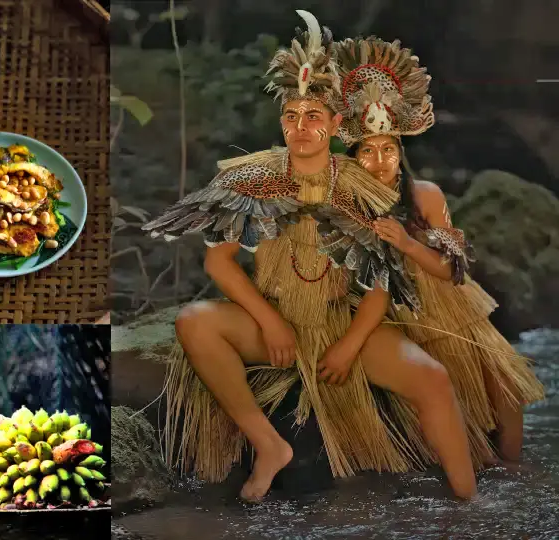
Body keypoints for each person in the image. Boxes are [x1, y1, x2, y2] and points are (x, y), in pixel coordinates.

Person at [143, 10, 477, 501]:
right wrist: (270, 322)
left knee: (432, 377)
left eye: (313, 116)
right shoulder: (249, 178)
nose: (300, 127)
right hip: (271, 322)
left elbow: (382, 280)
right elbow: (218, 264)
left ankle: (469, 500)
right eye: (291, 116)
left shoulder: (361, 186)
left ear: (336, 123)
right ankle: (267, 444)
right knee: (195, 320)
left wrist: (350, 344)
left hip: (341, 326)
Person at [332, 35, 544, 465]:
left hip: (452, 308)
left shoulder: (425, 195)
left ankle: (514, 475)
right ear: (353, 158)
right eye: (367, 151)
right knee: (449, 407)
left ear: (401, 151)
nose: (379, 161)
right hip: (394, 315)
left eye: (388, 149)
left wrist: (408, 243)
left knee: (505, 391)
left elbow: (454, 271)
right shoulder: (344, 203)